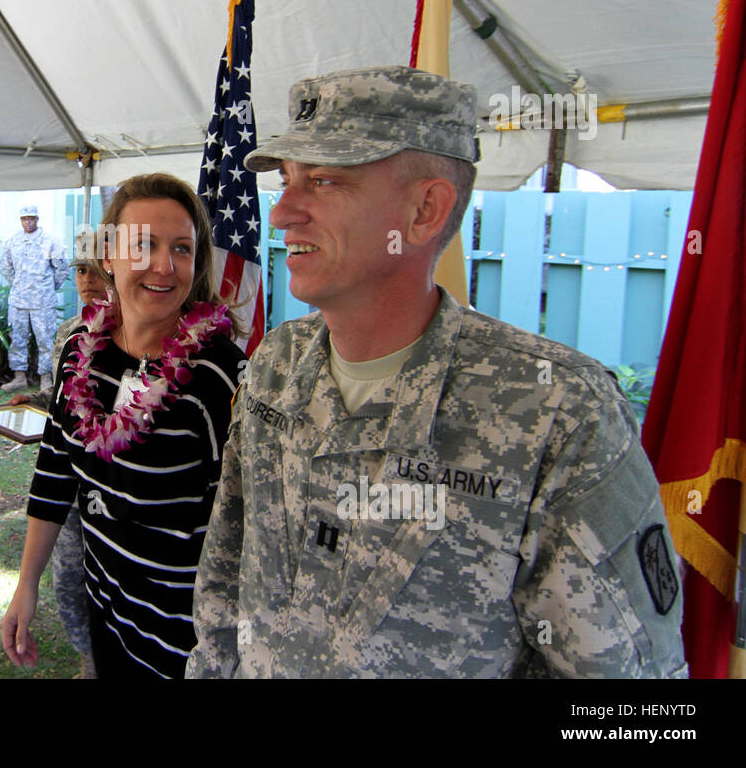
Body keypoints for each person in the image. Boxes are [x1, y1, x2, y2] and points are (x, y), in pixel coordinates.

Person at [186, 65, 686, 678]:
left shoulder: (558, 414)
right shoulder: (276, 366)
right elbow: (225, 577)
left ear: (425, 210)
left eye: (323, 181)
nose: (285, 211)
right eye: (288, 180)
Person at [2, 174, 244, 678]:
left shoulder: (219, 377)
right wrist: (26, 583)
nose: (164, 265)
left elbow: (245, 527)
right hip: (105, 616)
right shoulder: (79, 352)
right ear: (108, 255)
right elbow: (54, 473)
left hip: (182, 643)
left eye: (182, 248)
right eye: (144, 245)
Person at [7, 257, 108, 678]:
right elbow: (63, 403)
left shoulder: (139, 333)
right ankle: (87, 660)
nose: (87, 279)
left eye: (95, 269)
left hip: (113, 487)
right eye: (80, 270)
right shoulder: (70, 333)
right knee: (69, 580)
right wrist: (32, 400)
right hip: (68, 489)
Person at [0, 205, 66, 392]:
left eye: (31, 218)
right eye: (24, 219)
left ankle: (45, 378)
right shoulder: (12, 241)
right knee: (18, 338)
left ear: (37, 219)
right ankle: (19, 377)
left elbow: (62, 268)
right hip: (19, 300)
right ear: (20, 220)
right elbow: (6, 268)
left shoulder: (50, 241)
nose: (27, 222)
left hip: (43, 302)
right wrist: (21, 285)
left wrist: (47, 288)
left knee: (45, 340)